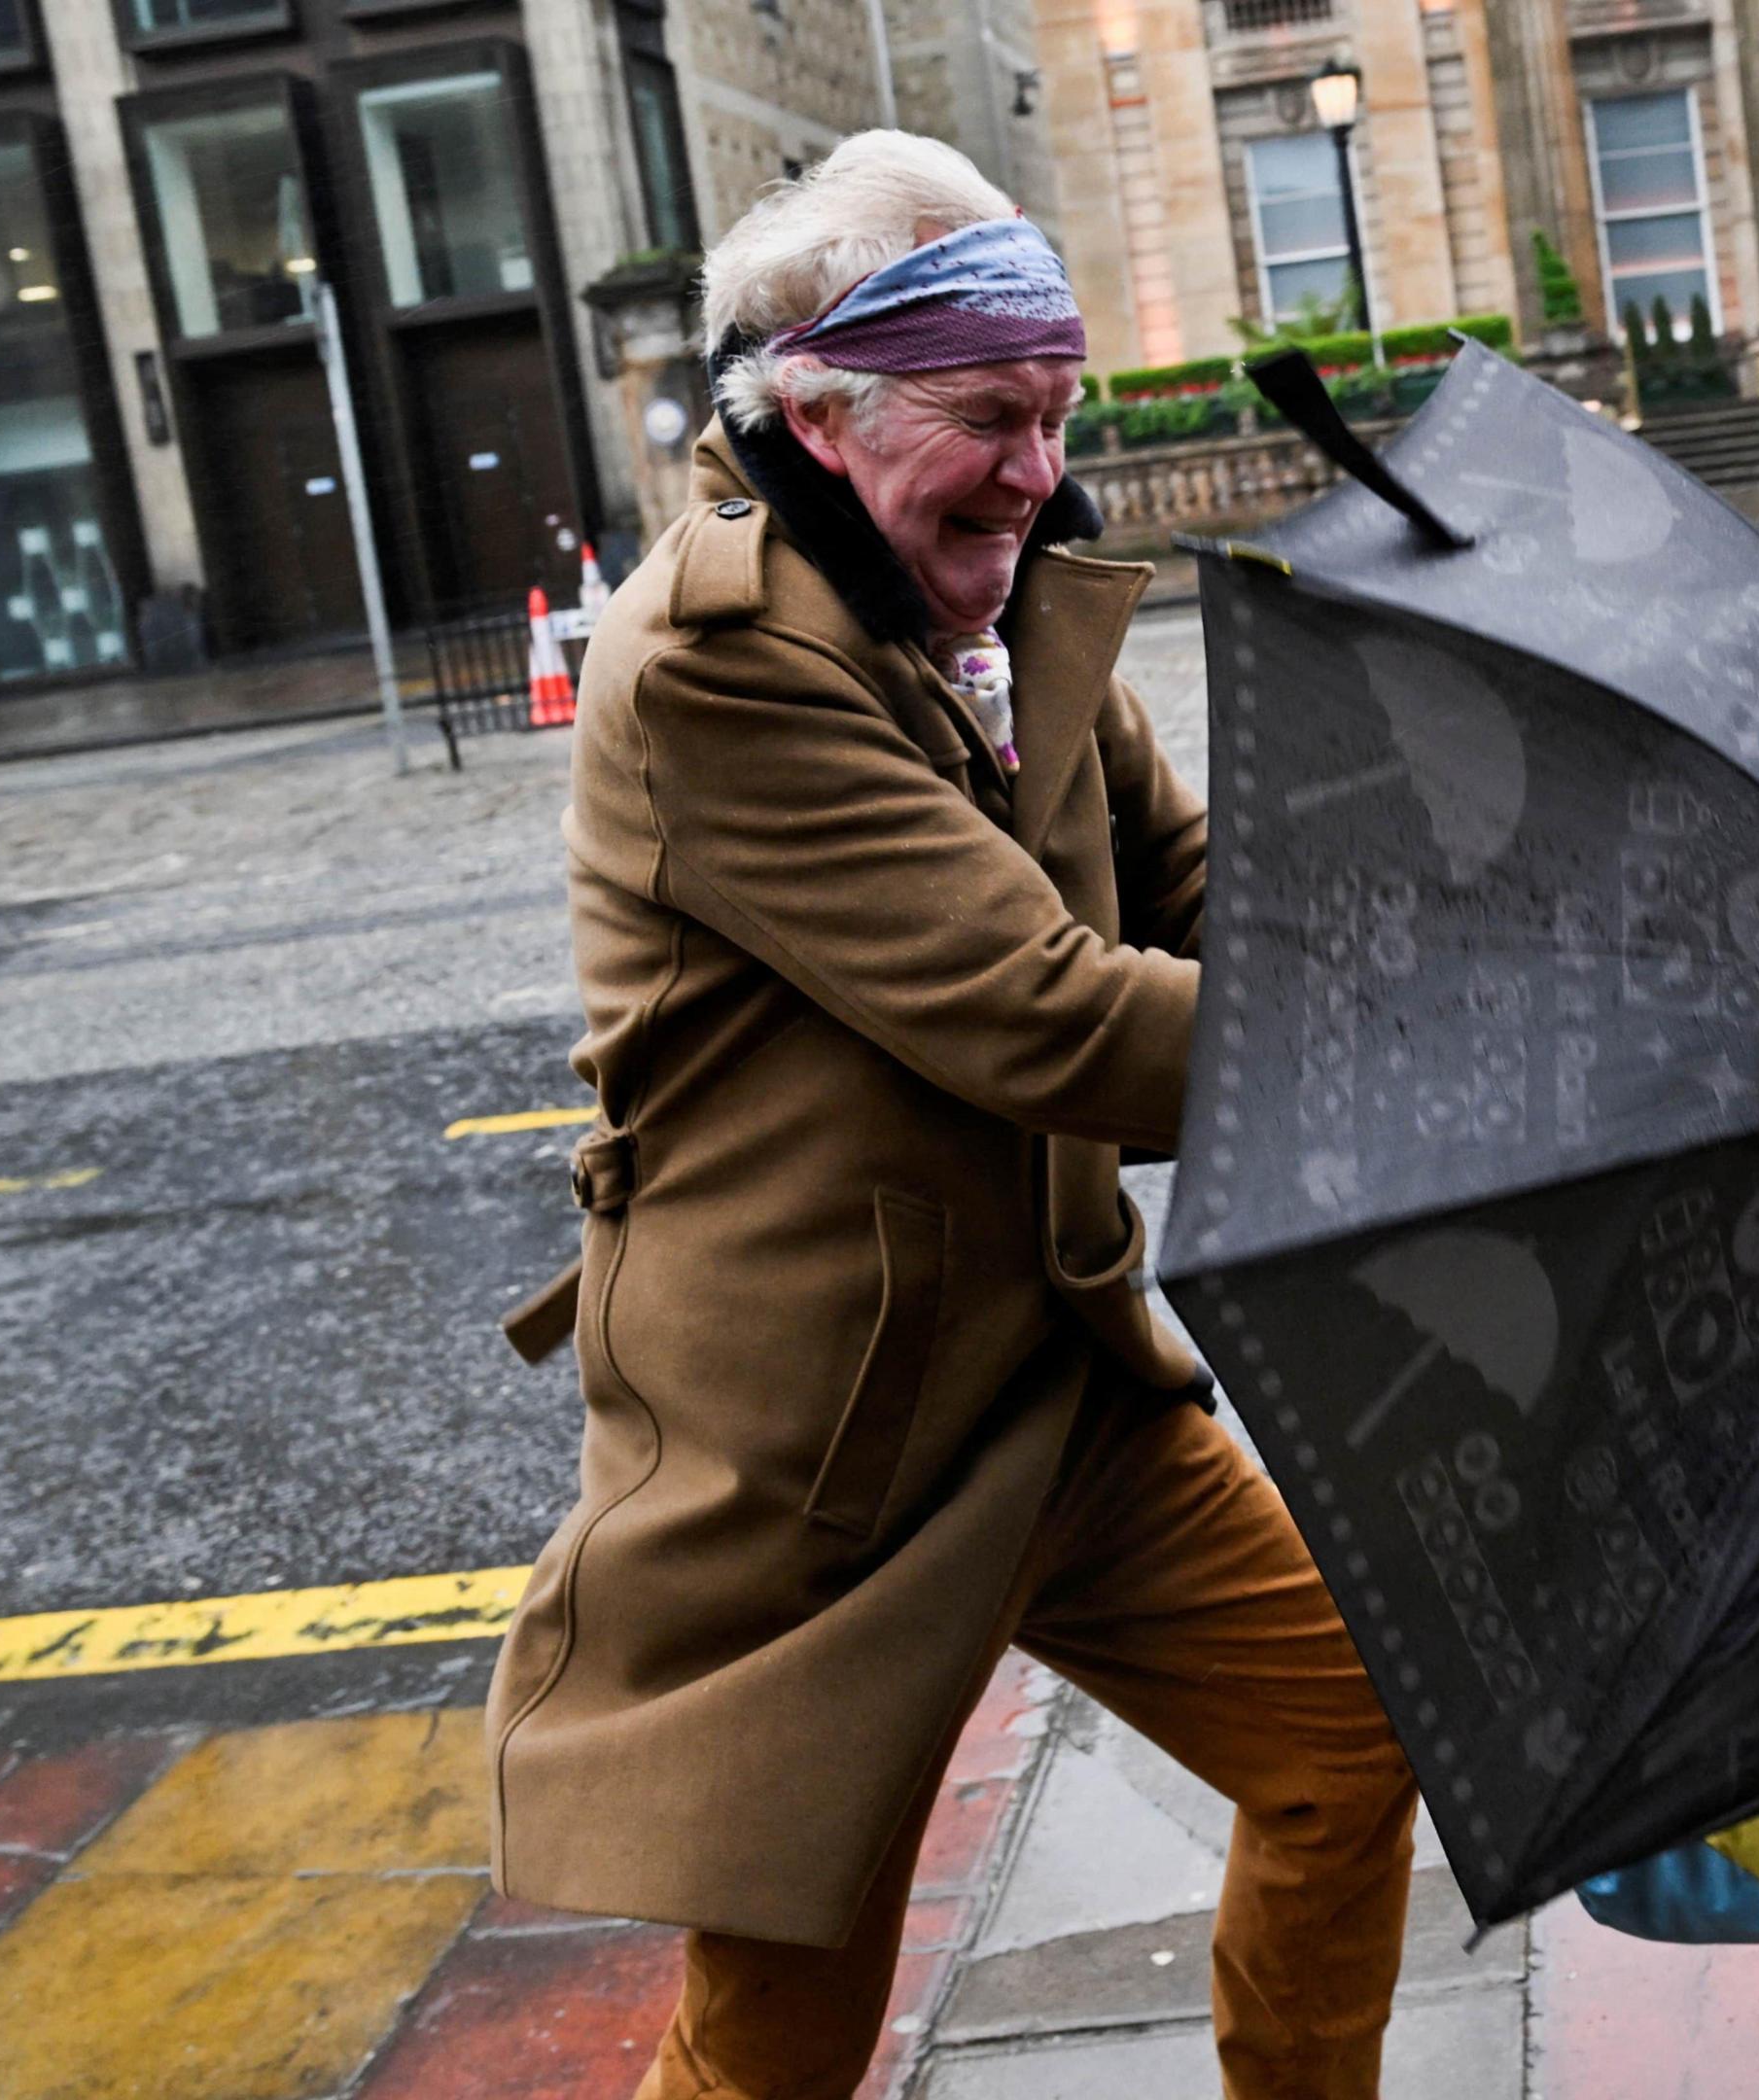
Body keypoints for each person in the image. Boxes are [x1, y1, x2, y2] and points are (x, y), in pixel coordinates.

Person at [479, 132, 1420, 2100]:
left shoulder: (998, 607)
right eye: (987, 415)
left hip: (1056, 1387)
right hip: (826, 1452)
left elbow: (1194, 892)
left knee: (1352, 1736)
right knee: (778, 2045)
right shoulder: (723, 656)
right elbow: (1046, 1015)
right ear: (818, 408)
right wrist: (1416, 1047)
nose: (1035, 469)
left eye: (1056, 412)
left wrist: (1437, 920)